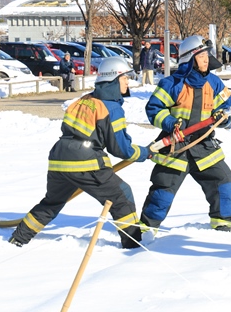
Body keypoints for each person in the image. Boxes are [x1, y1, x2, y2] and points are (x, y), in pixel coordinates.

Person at [9, 57, 154, 249]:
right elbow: (121, 149)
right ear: (114, 79)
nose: (128, 82)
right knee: (121, 196)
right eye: (125, 78)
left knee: (52, 202)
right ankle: (133, 243)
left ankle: (18, 238)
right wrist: (145, 153)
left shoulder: (82, 100)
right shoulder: (111, 108)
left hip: (58, 159)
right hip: (86, 162)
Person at [140, 35, 231, 233]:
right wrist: (171, 123)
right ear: (190, 58)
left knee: (223, 182)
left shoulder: (214, 83)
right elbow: (154, 109)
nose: (206, 59)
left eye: (207, 55)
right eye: (201, 55)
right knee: (162, 191)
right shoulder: (171, 84)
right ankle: (145, 230)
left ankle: (223, 224)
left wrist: (223, 118)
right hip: (175, 146)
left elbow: (227, 108)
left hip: (204, 146)